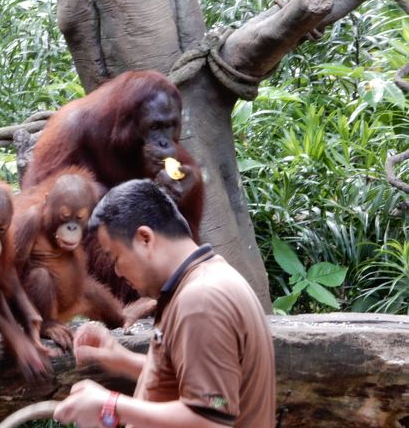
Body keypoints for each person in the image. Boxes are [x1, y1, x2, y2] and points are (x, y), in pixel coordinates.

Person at [53, 179, 275, 428]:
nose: (116, 271)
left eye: (116, 257)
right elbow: (191, 378)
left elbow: (211, 415)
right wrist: (120, 358)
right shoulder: (197, 283)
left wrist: (111, 405)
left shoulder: (201, 300)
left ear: (145, 238)